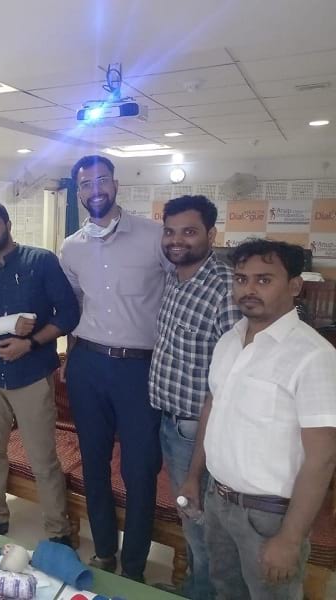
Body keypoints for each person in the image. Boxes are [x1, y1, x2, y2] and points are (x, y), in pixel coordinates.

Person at [179, 240, 336, 599]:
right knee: (225, 592)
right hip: (218, 501)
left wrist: (290, 538)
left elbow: (323, 457)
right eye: (241, 279)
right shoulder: (229, 340)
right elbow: (212, 409)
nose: (248, 289)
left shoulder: (313, 356)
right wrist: (193, 478)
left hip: (269, 518)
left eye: (264, 280)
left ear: (294, 286)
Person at [58, 155, 171, 582]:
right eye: (86, 184)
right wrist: (70, 356)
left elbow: (177, 289)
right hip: (87, 365)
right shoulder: (71, 247)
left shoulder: (154, 236)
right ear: (78, 191)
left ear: (116, 184)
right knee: (94, 461)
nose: (95, 190)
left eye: (102, 180)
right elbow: (73, 304)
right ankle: (104, 551)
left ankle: (134, 566)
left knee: (139, 468)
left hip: (139, 369)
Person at [0, 197, 79, 543]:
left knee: (43, 459)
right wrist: (4, 326)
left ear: (7, 224)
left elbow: (69, 313)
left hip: (32, 376)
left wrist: (31, 343)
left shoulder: (41, 261)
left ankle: (58, 530)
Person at [149, 195, 241, 599]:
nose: (177, 241)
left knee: (200, 523)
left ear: (211, 234)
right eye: (170, 232)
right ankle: (194, 585)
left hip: (197, 431)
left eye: (189, 232)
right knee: (191, 518)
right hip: (170, 422)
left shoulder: (224, 290)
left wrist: (198, 457)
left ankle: (201, 592)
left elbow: (230, 384)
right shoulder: (174, 277)